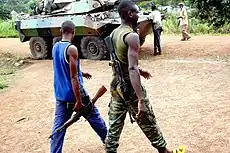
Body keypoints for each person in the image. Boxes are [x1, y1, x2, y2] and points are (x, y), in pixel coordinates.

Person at [105, 1, 186, 153]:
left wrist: (138, 69)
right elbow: (131, 68)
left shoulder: (114, 33)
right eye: (137, 12)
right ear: (130, 14)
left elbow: (119, 62)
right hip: (129, 87)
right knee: (147, 118)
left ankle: (110, 150)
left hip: (116, 86)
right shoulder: (132, 36)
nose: (139, 14)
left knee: (115, 123)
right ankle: (163, 150)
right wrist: (140, 99)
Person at [50, 20, 107, 153]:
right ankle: (108, 140)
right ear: (74, 32)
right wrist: (79, 101)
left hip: (60, 95)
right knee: (94, 116)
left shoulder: (55, 47)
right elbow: (73, 77)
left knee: (59, 127)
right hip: (75, 94)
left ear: (61, 31)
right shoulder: (72, 49)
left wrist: (81, 72)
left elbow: (64, 67)